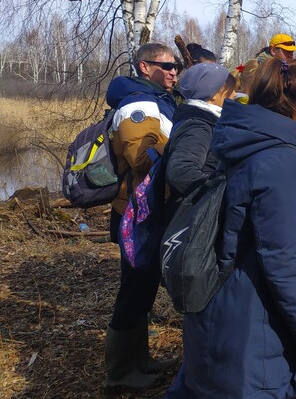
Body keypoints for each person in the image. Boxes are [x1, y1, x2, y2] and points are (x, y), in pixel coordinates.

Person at [169, 59, 296, 398]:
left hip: (229, 310)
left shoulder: (250, 139)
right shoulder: (280, 159)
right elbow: (283, 259)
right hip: (251, 326)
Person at [104, 43, 179, 390]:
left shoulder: (157, 101)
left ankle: (140, 360)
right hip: (136, 214)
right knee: (133, 290)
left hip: (149, 211)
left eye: (175, 66)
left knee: (143, 286)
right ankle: (119, 374)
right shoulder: (137, 104)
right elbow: (140, 158)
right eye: (165, 66)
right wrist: (183, 143)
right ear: (144, 67)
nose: (174, 71)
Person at [164, 63, 236, 222]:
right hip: (192, 217)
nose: (234, 95)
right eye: (230, 92)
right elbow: (181, 172)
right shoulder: (199, 126)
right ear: (214, 95)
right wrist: (221, 191)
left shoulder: (201, 120)